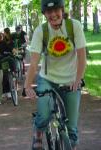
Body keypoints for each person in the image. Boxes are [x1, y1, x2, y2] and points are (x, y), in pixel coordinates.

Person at [24, 0, 86, 150]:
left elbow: (82, 57)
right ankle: (38, 133)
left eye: (56, 10)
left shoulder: (74, 26)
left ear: (62, 10)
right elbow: (33, 62)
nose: (53, 15)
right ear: (45, 14)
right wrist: (27, 85)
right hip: (48, 79)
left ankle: (71, 145)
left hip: (71, 78)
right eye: (48, 12)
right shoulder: (41, 30)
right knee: (44, 115)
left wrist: (78, 80)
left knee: (72, 128)